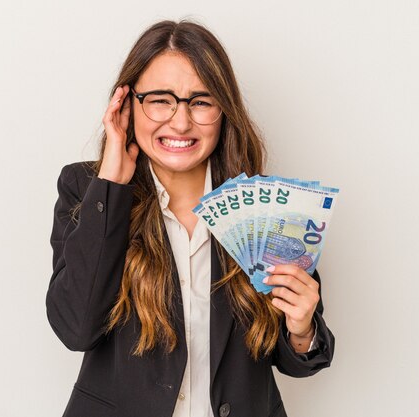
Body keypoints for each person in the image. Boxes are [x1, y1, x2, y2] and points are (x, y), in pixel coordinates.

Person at [46, 19, 335, 417]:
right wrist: (112, 183)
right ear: (127, 104)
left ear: (224, 110)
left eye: (200, 101)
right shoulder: (87, 189)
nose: (180, 122)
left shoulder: (264, 206)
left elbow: (295, 358)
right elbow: (76, 328)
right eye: (160, 99)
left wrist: (302, 329)